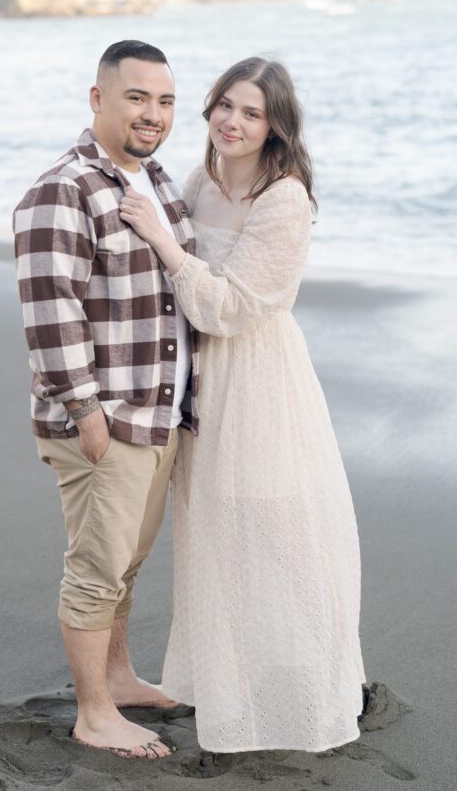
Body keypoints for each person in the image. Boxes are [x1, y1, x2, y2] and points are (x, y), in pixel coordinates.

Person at [119, 56, 366, 753]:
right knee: (216, 535)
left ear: (275, 126)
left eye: (251, 112)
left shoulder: (283, 197)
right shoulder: (201, 179)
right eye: (225, 104)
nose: (232, 121)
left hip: (257, 381)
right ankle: (232, 687)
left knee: (280, 531)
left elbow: (231, 307)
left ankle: (317, 687)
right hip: (199, 383)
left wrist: (166, 245)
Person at [12, 40, 199, 760]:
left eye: (166, 100)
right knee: (96, 568)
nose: (153, 114)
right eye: (136, 97)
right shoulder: (63, 189)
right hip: (106, 422)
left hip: (156, 418)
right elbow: (49, 311)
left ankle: (118, 678)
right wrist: (88, 418)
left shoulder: (160, 184)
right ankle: (94, 713)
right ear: (98, 100)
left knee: (126, 561)